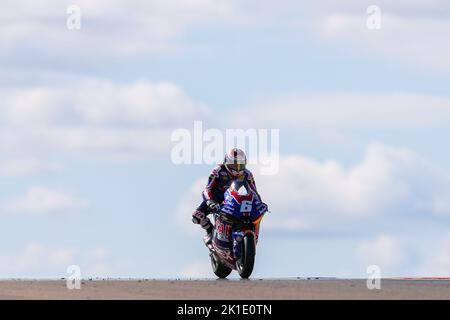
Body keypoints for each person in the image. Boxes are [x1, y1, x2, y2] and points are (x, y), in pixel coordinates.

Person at [191, 148, 261, 244]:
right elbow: (207, 189)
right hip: (216, 198)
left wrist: (259, 203)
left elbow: (254, 191)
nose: (237, 168)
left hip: (236, 198)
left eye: (240, 165)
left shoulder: (247, 174)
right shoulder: (218, 171)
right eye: (234, 165)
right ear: (226, 162)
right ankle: (209, 231)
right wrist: (210, 202)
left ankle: (247, 234)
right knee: (196, 217)